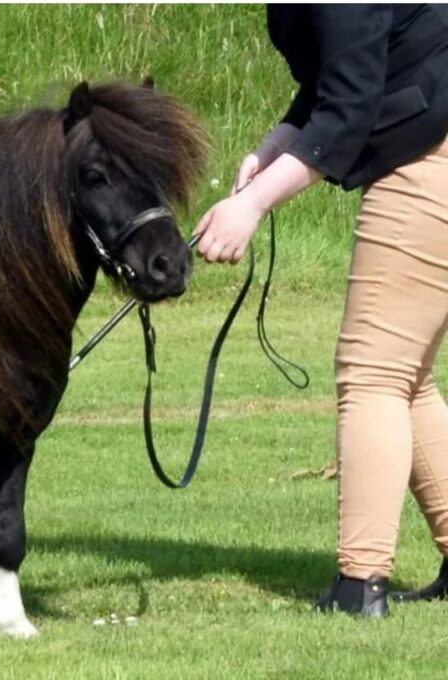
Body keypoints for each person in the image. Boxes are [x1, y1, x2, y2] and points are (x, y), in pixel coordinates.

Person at [194, 4, 448, 617]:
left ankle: (360, 587)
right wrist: (279, 141)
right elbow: (344, 75)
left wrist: (251, 206)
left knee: (372, 374)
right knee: (406, 379)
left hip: (431, 160)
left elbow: (351, 107)